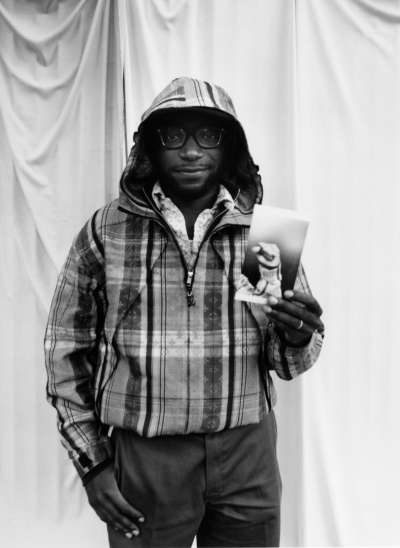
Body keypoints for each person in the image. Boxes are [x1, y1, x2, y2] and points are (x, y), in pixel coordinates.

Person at [44, 77, 324, 548]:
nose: (191, 151)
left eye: (208, 135)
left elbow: (288, 362)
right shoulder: (108, 231)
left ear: (230, 146)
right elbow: (65, 351)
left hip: (248, 453)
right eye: (173, 135)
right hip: (147, 455)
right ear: (150, 146)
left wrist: (297, 335)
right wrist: (91, 463)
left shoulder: (265, 232)